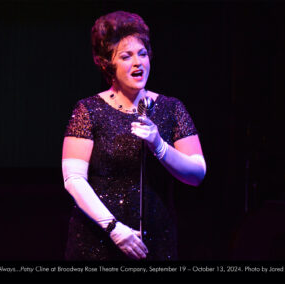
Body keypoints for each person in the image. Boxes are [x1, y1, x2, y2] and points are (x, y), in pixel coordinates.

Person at [62, 10, 206, 261]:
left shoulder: (171, 108)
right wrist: (113, 228)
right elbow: (73, 179)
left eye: (142, 54)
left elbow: (197, 173)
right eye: (126, 56)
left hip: (156, 242)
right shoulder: (89, 110)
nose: (138, 62)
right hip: (99, 242)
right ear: (108, 64)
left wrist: (159, 146)